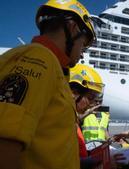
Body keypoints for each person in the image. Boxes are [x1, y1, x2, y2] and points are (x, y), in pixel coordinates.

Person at [0, 0, 95, 169]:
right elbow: (5, 143)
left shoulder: (52, 67)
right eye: (84, 44)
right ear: (73, 28)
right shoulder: (39, 58)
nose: (82, 54)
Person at [69, 63, 105, 169]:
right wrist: (95, 161)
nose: (91, 103)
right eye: (90, 98)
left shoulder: (71, 119)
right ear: (74, 93)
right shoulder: (61, 122)